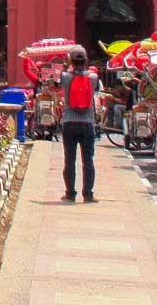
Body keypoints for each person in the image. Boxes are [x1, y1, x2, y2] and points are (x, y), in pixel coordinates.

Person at [61, 45, 101, 203]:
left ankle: (70, 193)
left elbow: (63, 73)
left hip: (69, 122)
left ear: (70, 60)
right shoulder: (93, 78)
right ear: (86, 60)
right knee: (88, 160)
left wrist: (66, 63)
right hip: (87, 122)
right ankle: (88, 194)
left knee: (69, 160)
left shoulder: (65, 77)